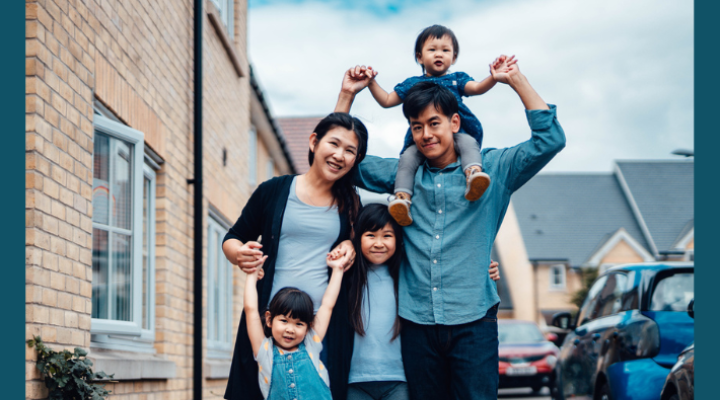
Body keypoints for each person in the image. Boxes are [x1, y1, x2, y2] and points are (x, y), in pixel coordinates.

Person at [336, 60, 566, 400]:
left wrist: (516, 80)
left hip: (473, 322)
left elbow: (550, 140)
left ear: (454, 122)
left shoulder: (494, 169)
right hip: (416, 324)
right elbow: (341, 160)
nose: (426, 135)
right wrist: (346, 96)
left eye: (433, 123)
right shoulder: (404, 176)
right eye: (416, 127)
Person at [222, 113, 368, 400]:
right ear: (314, 141)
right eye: (334, 144)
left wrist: (351, 246)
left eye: (350, 150)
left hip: (322, 329)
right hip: (270, 325)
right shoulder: (273, 191)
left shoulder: (350, 202)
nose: (340, 155)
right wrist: (239, 253)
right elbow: (232, 238)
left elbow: (356, 243)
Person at [365, 25, 517, 226]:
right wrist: (371, 82)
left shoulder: (456, 80)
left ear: (453, 58)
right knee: (407, 159)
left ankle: (473, 176)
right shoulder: (412, 84)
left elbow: (478, 88)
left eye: (445, 50)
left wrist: (494, 77)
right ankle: (402, 198)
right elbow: (386, 100)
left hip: (455, 134)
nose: (439, 54)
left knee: (468, 143)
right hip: (422, 140)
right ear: (420, 57)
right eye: (432, 50)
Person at [345, 203, 501, 400]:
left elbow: (443, 269)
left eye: (387, 235)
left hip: (399, 380)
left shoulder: (407, 274)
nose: (379, 243)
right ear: (358, 237)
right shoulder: (348, 277)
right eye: (370, 235)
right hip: (355, 381)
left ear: (398, 239)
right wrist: (346, 244)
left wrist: (482, 269)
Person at [244, 249, 347, 399]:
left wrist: (338, 269)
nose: (290, 329)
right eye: (284, 321)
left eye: (299, 324)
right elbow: (251, 310)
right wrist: (251, 275)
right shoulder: (264, 351)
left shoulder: (311, 342)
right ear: (269, 320)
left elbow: (327, 305)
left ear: (307, 328)